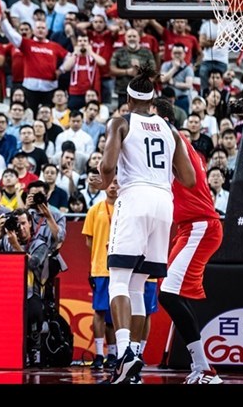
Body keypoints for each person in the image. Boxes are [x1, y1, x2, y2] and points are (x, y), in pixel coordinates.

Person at [98, 66, 195, 384]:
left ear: (128, 99)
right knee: (139, 285)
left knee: (118, 281)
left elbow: (108, 166)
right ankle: (136, 354)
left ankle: (124, 353)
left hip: (135, 197)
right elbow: (189, 179)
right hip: (163, 203)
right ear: (153, 100)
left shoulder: (121, 122)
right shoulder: (170, 129)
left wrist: (104, 181)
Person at [153, 97, 224, 385]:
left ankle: (205, 368)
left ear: (162, 119)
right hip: (190, 227)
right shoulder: (177, 143)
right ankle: (201, 366)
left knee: (168, 294)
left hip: (200, 226)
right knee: (173, 294)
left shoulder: (173, 137)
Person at [82, 177, 119, 370]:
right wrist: (100, 257)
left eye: (117, 182)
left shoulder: (126, 209)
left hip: (120, 268)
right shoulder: (94, 210)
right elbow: (89, 241)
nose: (113, 186)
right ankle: (98, 354)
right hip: (101, 268)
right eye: (110, 182)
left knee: (114, 313)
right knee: (99, 311)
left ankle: (112, 354)